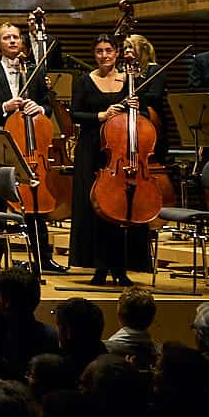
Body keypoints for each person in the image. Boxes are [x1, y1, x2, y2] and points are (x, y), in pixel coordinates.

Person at [0, 21, 63, 271]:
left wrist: (40, 108)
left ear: (22, 42)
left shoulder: (34, 71)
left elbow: (48, 106)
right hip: (3, 140)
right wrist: (5, 107)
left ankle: (43, 257)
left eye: (15, 37)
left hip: (32, 144)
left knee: (35, 197)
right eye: (6, 38)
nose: (12, 41)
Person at [69, 34, 156, 285]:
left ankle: (122, 266)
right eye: (99, 51)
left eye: (108, 50)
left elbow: (147, 113)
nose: (104, 55)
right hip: (93, 151)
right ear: (94, 54)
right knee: (95, 210)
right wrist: (102, 115)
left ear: (117, 53)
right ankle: (98, 267)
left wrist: (138, 105)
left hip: (125, 154)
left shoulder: (131, 80)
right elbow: (75, 113)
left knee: (124, 210)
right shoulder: (86, 81)